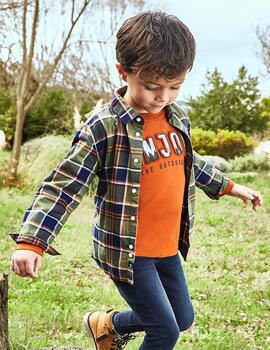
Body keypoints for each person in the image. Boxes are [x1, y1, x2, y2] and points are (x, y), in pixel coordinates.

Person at [10, 11, 262, 350]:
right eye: (153, 86)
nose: (163, 97)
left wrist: (230, 187)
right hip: (127, 252)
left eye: (175, 87)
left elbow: (189, 163)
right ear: (123, 72)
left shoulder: (176, 117)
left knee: (181, 319)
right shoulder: (105, 127)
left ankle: (107, 325)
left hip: (167, 247)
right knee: (165, 330)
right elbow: (63, 185)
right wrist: (32, 242)